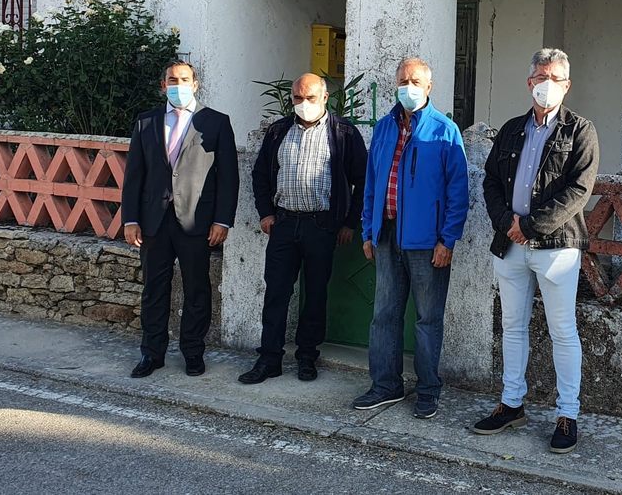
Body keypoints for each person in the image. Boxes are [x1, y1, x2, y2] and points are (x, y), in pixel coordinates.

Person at [474, 48, 599, 454]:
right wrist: (507, 223)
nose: (547, 85)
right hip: (509, 245)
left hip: (555, 248)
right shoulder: (511, 129)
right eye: (540, 77)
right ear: (530, 82)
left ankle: (568, 413)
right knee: (513, 326)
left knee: (563, 331)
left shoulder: (581, 131)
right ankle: (511, 403)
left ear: (567, 84)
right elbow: (491, 182)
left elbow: (578, 191)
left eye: (555, 78)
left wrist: (529, 226)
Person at [351, 58, 469, 419]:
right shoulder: (384, 128)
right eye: (403, 80)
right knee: (384, 315)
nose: (408, 86)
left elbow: (458, 192)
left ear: (429, 86)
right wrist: (368, 230)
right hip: (386, 237)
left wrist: (447, 241)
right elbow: (371, 183)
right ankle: (385, 385)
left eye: (415, 80)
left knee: (427, 318)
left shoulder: (445, 130)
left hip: (426, 243)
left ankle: (428, 389)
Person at [241, 73, 367, 384]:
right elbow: (260, 175)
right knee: (276, 293)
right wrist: (266, 213)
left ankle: (307, 356)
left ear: (325, 98)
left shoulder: (344, 133)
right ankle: (269, 358)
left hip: (321, 226)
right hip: (283, 225)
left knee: (315, 294)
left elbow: (363, 180)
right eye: (298, 98)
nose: (303, 104)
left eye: (310, 98)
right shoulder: (279, 131)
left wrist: (350, 222)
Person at [121, 60, 239, 379]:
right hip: (154, 222)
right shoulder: (146, 123)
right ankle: (152, 353)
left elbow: (228, 177)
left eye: (185, 79)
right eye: (172, 80)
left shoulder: (215, 123)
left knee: (197, 288)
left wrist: (222, 221)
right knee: (154, 289)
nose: (178, 84)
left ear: (196, 84)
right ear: (163, 85)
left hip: (197, 222)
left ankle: (193, 352)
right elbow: (134, 176)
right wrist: (130, 218)